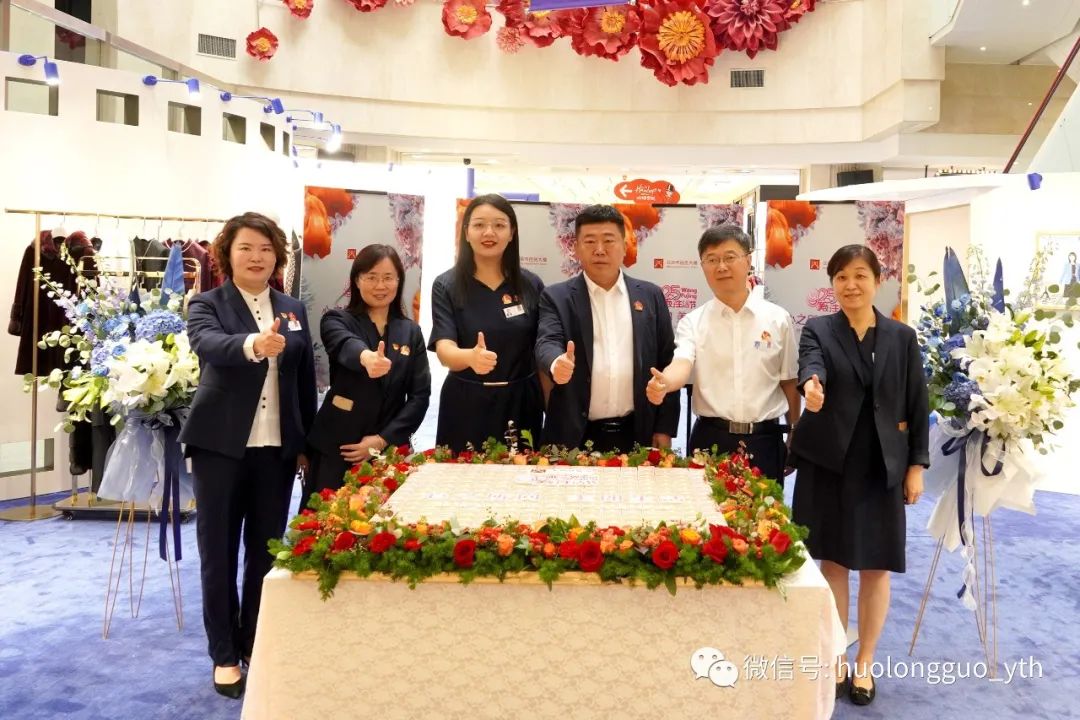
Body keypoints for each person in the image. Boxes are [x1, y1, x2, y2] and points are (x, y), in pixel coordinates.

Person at [180, 212, 316, 699]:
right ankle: (223, 653)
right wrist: (254, 345)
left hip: (275, 449)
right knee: (217, 552)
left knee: (265, 550)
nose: (256, 257)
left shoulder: (293, 307)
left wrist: (304, 445)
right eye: (246, 248)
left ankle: (255, 641)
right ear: (227, 254)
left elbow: (303, 379)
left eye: (265, 249)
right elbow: (208, 345)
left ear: (277, 256)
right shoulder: (207, 303)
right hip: (220, 448)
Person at [789, 244, 929, 706]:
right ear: (832, 284)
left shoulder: (901, 337)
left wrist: (915, 467)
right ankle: (836, 658)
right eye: (841, 277)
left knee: (875, 565)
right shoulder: (819, 329)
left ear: (877, 280)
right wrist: (812, 386)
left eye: (860, 275)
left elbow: (917, 401)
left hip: (881, 465)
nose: (851, 285)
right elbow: (811, 365)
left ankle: (865, 662)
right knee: (833, 562)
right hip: (831, 462)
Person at [645, 225, 799, 483]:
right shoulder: (693, 322)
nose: (722, 267)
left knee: (766, 509)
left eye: (730, 257)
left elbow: (789, 381)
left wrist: (795, 430)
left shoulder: (777, 319)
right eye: (712, 259)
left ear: (748, 261)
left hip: (765, 440)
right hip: (710, 440)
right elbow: (682, 362)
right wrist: (665, 383)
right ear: (702, 266)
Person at [536, 204, 678, 452]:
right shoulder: (556, 297)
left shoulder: (651, 295)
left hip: (637, 432)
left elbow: (667, 361)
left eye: (609, 240)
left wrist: (664, 428)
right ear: (576, 248)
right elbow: (546, 341)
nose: (599, 250)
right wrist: (556, 363)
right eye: (590, 241)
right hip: (574, 435)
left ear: (625, 245)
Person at [304, 244, 430, 496]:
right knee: (327, 516)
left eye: (388, 277)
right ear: (357, 280)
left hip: (388, 447)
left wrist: (382, 440)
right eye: (371, 277)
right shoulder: (337, 319)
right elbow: (344, 344)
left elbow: (419, 397)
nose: (380, 286)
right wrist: (366, 357)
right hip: (340, 447)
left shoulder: (411, 331)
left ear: (398, 281)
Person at [428, 194, 545, 453]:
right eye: (479, 224)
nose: (489, 232)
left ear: (512, 233)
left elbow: (542, 347)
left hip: (522, 402)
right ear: (466, 232)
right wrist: (470, 357)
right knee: (462, 473)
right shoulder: (446, 285)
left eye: (499, 225)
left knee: (522, 473)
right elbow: (444, 349)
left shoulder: (531, 285)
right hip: (466, 402)